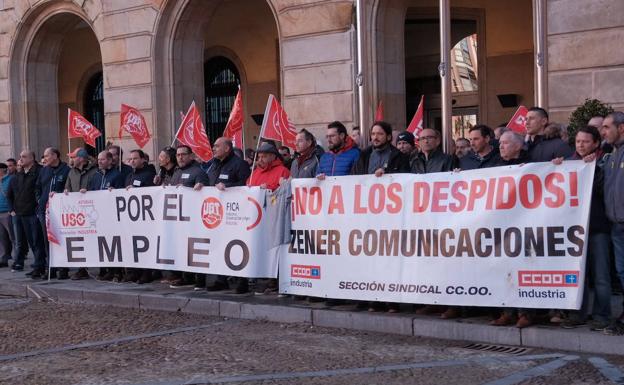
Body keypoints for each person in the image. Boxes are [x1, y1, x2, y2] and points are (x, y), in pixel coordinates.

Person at [551, 126, 611, 331]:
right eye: (578, 141)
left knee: (601, 275)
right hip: (574, 230)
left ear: (596, 143)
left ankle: (602, 316)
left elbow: (606, 191)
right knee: (577, 274)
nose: (581, 145)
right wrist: (555, 168)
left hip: (597, 227)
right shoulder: (568, 163)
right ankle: (577, 314)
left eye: (585, 142)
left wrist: (594, 168)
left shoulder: (605, 162)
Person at [203, 138, 251, 293]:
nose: (214, 148)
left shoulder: (239, 164)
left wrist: (227, 187)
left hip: (235, 214)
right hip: (217, 213)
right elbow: (210, 183)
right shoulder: (214, 165)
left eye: (217, 146)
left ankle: (240, 281)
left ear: (227, 148)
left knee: (236, 247)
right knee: (219, 245)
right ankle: (220, 279)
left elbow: (245, 185)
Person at [82, 150, 124, 281]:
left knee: (113, 244)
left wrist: (115, 192)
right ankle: (105, 270)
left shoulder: (117, 175)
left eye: (103, 159)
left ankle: (117, 271)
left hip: (112, 216)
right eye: (99, 159)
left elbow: (122, 194)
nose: (100, 161)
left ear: (110, 160)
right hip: (98, 216)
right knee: (101, 244)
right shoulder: (95, 175)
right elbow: (92, 192)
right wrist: (85, 192)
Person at [6, 150, 46, 278]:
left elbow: (39, 191)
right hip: (22, 213)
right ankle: (38, 265)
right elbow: (13, 194)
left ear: (32, 158)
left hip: (34, 212)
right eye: (20, 157)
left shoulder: (39, 171)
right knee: (31, 242)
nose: (21, 159)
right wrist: (14, 209)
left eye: (23, 157)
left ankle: (40, 266)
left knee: (38, 240)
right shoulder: (20, 174)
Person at [602, 111, 624, 335]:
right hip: (616, 224)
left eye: (607, 127)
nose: (603, 132)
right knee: (621, 271)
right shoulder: (611, 155)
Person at [36, 147, 70, 279]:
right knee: (47, 240)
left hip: (61, 212)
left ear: (55, 156)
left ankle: (63, 268)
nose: (44, 159)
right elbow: (37, 187)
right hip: (44, 211)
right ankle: (51, 268)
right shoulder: (44, 170)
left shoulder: (66, 170)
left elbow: (69, 188)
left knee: (61, 239)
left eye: (47, 156)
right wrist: (39, 200)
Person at [123, 149, 156, 283]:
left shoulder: (149, 174)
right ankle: (134, 272)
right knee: (133, 245)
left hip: (146, 217)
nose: (132, 161)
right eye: (130, 159)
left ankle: (146, 273)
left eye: (135, 158)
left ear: (143, 159)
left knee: (145, 246)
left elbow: (152, 193)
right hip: (132, 217)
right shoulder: (129, 176)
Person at [63, 148, 97, 280]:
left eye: (73, 157)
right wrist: (66, 192)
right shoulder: (71, 172)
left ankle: (104, 268)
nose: (71, 159)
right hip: (77, 213)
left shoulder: (94, 171)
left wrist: (88, 191)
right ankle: (82, 269)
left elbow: (97, 188)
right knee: (79, 240)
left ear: (81, 158)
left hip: (92, 211)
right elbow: (67, 187)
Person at [0, 163, 13, 268]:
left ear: (2, 170)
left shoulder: (11, 179)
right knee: (2, 238)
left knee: (13, 237)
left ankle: (17, 259)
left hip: (7, 212)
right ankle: (3, 259)